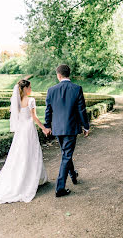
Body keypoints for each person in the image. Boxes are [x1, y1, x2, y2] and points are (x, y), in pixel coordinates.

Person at [0, 80, 48, 204]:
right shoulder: (31, 100)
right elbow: (34, 118)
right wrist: (44, 128)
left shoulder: (16, 101)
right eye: (29, 87)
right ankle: (31, 180)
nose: (31, 89)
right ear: (25, 89)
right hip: (29, 130)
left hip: (20, 132)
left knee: (20, 156)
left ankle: (26, 179)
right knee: (31, 154)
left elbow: (17, 118)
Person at [44, 64, 89, 197]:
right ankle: (60, 188)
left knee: (66, 154)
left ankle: (73, 175)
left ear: (58, 75)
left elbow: (48, 110)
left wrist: (47, 126)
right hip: (71, 128)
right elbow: (82, 110)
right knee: (66, 155)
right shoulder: (77, 89)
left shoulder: (51, 90)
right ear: (69, 74)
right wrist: (86, 126)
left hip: (57, 128)